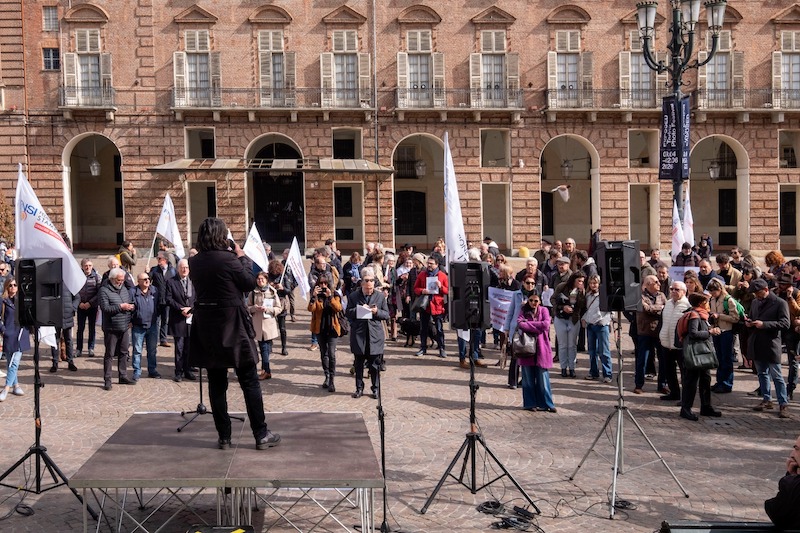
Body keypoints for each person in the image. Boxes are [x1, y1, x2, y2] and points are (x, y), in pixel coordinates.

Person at [188, 217, 280, 450]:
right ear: (223, 236)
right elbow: (249, 283)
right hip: (233, 325)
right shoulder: (230, 260)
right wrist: (241, 256)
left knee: (216, 383)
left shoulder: (195, 262)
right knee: (249, 381)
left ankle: (224, 436)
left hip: (208, 327)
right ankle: (260, 434)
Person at [748, 278, 791, 419]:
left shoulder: (780, 303)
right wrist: (749, 322)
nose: (756, 296)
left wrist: (764, 324)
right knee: (762, 373)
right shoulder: (755, 302)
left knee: (777, 375)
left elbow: (785, 323)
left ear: (766, 290)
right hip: (757, 342)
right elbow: (753, 317)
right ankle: (767, 399)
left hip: (771, 343)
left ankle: (783, 403)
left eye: (758, 293)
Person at [345, 266, 389, 399]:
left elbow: (386, 314)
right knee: (358, 364)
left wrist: (377, 312)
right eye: (367, 284)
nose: (369, 288)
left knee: (374, 365)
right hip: (359, 334)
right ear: (362, 283)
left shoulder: (380, 296)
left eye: (371, 283)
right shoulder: (353, 296)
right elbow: (347, 313)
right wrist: (359, 310)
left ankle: (375, 388)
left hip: (375, 335)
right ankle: (359, 388)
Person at [679, 292, 723, 421]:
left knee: (706, 379)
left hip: (702, 353)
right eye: (706, 302)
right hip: (695, 354)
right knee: (691, 382)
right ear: (701, 304)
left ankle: (706, 406)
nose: (708, 304)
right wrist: (710, 332)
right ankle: (686, 408)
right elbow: (693, 333)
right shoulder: (694, 315)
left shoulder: (703, 315)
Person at [514, 293, 556, 412]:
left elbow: (546, 324)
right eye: (531, 300)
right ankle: (530, 403)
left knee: (543, 378)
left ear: (540, 301)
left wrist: (529, 324)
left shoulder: (544, 311)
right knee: (528, 378)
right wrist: (537, 327)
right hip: (526, 348)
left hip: (542, 348)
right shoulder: (524, 310)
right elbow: (520, 323)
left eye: (536, 301)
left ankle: (547, 403)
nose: (533, 303)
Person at [99, 267, 136, 390]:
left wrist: (130, 313)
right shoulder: (104, 290)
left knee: (124, 352)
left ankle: (123, 375)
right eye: (119, 280)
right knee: (109, 354)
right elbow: (105, 308)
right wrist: (121, 307)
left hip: (124, 326)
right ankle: (107, 379)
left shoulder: (124, 289)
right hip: (111, 327)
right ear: (112, 279)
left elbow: (129, 302)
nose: (121, 282)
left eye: (122, 280)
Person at [706, 279, 741, 394]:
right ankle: (720, 381)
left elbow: (735, 318)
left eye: (714, 291)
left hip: (727, 331)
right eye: (710, 291)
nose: (712, 293)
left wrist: (719, 316)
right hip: (717, 331)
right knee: (719, 358)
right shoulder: (712, 299)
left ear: (720, 289)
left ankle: (727, 383)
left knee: (727, 359)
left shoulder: (728, 300)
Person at [308, 276, 341, 392]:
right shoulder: (316, 296)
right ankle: (326, 376)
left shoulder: (335, 294)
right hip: (320, 329)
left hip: (332, 329)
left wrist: (330, 297)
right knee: (324, 353)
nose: (323, 286)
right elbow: (311, 309)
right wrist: (313, 297)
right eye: (321, 283)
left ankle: (332, 379)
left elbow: (338, 308)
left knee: (331, 354)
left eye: (325, 283)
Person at [659, 281, 690, 401]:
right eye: (672, 289)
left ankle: (686, 397)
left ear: (684, 291)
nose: (673, 292)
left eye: (677, 290)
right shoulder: (667, 304)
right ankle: (674, 393)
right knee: (669, 371)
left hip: (680, 345)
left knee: (684, 373)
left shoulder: (687, 305)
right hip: (666, 343)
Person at [551, 271, 586, 378]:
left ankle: (572, 367)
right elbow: (552, 299)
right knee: (562, 344)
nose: (580, 283)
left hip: (574, 319)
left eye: (582, 281)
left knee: (572, 344)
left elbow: (582, 306)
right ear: (573, 280)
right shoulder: (562, 286)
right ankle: (563, 367)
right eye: (578, 281)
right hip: (561, 318)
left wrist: (581, 293)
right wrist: (562, 307)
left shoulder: (582, 291)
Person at [634, 275, 666, 394]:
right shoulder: (640, 296)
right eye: (656, 282)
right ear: (648, 284)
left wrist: (657, 308)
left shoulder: (661, 295)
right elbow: (646, 309)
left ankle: (662, 384)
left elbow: (666, 308)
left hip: (659, 332)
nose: (659, 283)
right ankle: (639, 384)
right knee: (642, 359)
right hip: (645, 332)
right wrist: (660, 308)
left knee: (663, 359)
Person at [248, 271, 282, 380]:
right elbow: (247, 307)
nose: (260, 281)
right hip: (258, 325)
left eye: (262, 279)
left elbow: (278, 308)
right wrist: (254, 308)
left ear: (266, 280)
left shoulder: (272, 292)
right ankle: (265, 370)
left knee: (264, 348)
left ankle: (266, 370)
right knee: (264, 348)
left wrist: (268, 309)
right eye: (258, 279)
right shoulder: (252, 293)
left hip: (268, 324)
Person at [167, 259, 196, 382]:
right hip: (178, 319)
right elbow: (168, 299)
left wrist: (191, 309)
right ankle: (178, 372)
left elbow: (197, 297)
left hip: (191, 318)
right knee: (179, 347)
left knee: (189, 348)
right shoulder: (171, 282)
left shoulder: (194, 281)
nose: (184, 270)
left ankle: (188, 369)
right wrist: (181, 309)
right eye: (182, 267)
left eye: (187, 268)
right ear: (178, 268)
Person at [414, 255, 448, 358]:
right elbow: (415, 288)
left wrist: (441, 287)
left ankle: (441, 348)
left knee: (439, 328)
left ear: (436, 264)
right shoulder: (422, 274)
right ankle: (423, 347)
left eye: (431, 263)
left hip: (437, 305)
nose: (429, 265)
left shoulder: (442, 276)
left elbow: (448, 291)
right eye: (428, 263)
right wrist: (422, 291)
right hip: (425, 305)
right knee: (423, 328)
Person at [0, 277, 28, 402]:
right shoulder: (3, 301)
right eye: (10, 285)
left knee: (14, 362)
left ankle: (6, 388)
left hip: (21, 334)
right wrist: (3, 330)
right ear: (7, 287)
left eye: (15, 285)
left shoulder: (22, 300)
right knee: (10, 361)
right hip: (8, 334)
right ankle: (16, 385)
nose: (13, 287)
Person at [764, 434, 800, 530]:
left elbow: (776, 511)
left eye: (797, 449)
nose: (792, 454)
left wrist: (791, 477)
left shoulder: (791, 485)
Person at [581, 274, 613, 382]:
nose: (593, 285)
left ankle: (607, 374)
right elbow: (587, 309)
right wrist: (584, 318)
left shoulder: (604, 296)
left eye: (595, 283)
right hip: (590, 325)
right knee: (592, 351)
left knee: (604, 351)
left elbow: (610, 311)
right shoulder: (588, 295)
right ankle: (593, 372)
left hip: (601, 325)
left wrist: (604, 321)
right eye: (591, 283)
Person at [129, 272, 161, 379]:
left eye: (148, 278)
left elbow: (159, 305)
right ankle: (137, 371)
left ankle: (152, 370)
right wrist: (130, 320)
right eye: (144, 279)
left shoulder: (154, 291)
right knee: (137, 350)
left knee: (152, 350)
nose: (147, 280)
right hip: (138, 326)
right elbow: (130, 307)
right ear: (139, 281)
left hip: (152, 325)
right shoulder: (133, 292)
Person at [149, 251, 177, 348]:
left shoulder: (173, 271)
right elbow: (148, 280)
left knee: (165, 320)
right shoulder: (154, 269)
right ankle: (154, 339)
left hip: (167, 300)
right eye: (157, 258)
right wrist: (146, 272)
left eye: (159, 258)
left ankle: (163, 339)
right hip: (156, 299)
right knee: (156, 320)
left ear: (165, 259)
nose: (158, 260)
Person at [76, 258, 101, 357]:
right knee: (80, 328)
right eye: (86, 265)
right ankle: (79, 348)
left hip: (92, 306)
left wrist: (90, 303)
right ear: (82, 266)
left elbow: (99, 292)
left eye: (90, 265)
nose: (88, 267)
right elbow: (74, 290)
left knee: (92, 328)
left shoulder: (97, 277)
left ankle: (91, 348)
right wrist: (79, 303)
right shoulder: (77, 276)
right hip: (81, 306)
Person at [266, 260, 290, 356]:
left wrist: (282, 288)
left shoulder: (284, 276)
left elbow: (289, 291)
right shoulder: (267, 276)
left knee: (282, 327)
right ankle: (270, 344)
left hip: (281, 303)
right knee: (270, 325)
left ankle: (284, 347)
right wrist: (269, 286)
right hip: (269, 303)